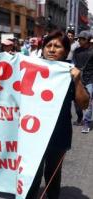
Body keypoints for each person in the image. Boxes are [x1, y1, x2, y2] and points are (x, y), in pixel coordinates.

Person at [26, 30, 89, 199]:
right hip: (32, 133)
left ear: (66, 51)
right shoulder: (30, 69)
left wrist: (77, 81)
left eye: (57, 46)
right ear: (43, 49)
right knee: (32, 172)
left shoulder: (70, 73)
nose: (52, 49)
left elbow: (84, 104)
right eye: (48, 46)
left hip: (59, 133)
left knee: (53, 173)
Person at [73, 30, 93, 133]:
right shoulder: (76, 51)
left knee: (88, 103)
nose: (80, 40)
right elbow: (73, 64)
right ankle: (80, 117)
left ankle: (87, 123)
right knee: (77, 102)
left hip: (90, 79)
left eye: (82, 39)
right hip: (78, 79)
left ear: (88, 40)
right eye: (79, 38)